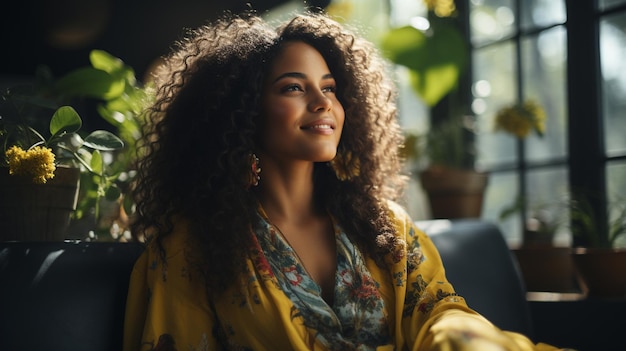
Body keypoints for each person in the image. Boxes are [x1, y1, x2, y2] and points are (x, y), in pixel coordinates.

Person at [123, 11, 564, 351]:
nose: (322, 103)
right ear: (241, 114)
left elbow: (439, 312)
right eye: (293, 88)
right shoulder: (189, 247)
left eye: (330, 87)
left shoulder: (383, 225)